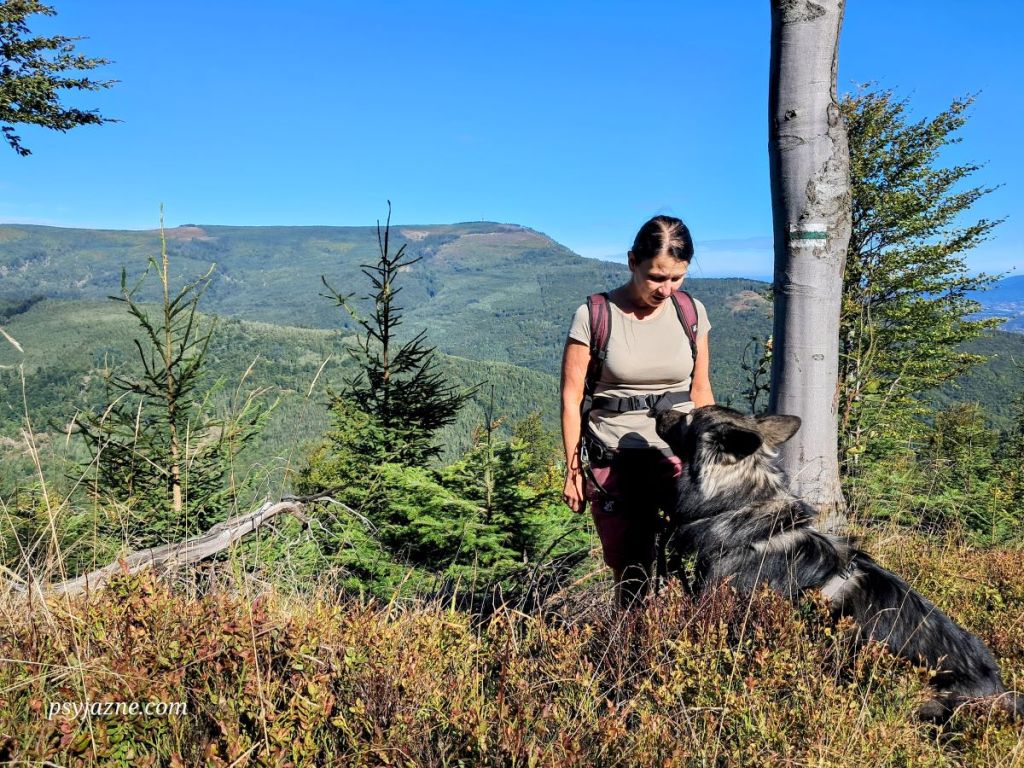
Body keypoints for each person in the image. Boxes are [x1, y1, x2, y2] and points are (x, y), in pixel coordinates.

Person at [560, 215, 715, 606]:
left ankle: (694, 641)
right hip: (615, 458)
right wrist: (572, 470)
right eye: (656, 277)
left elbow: (701, 389)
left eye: (677, 278)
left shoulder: (691, 313)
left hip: (679, 456)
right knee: (631, 570)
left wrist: (711, 456)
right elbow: (571, 395)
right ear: (632, 262)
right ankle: (628, 651)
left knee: (704, 558)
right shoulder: (595, 315)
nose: (666, 289)